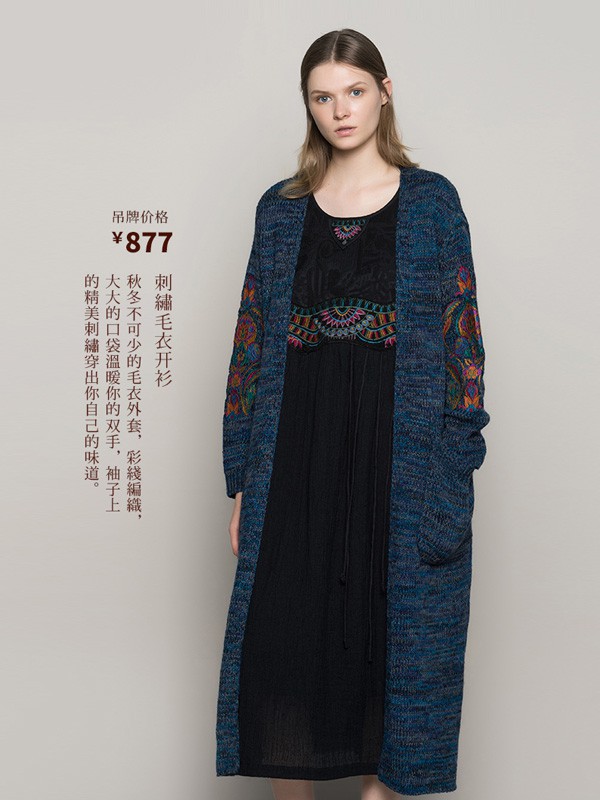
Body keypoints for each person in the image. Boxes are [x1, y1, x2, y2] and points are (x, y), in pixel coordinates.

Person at [217, 29, 490, 800]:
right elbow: (250, 345)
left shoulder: (432, 204)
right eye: (323, 96)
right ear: (308, 105)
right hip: (294, 464)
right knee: (283, 669)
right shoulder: (280, 212)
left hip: (396, 469)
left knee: (392, 668)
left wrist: (448, 482)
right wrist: (243, 477)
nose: (341, 110)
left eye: (355, 91)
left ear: (384, 91)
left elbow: (465, 353)